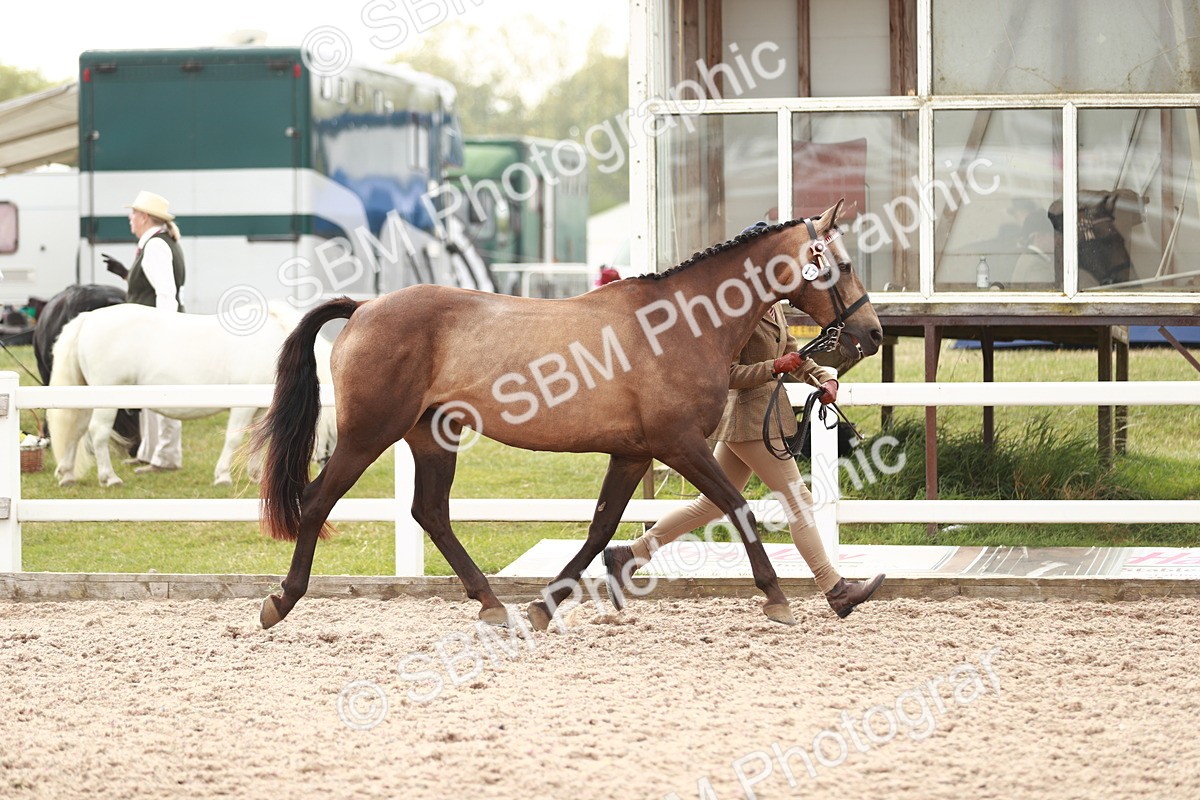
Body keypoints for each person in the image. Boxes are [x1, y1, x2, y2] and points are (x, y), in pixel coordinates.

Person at [603, 301, 885, 619]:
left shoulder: (773, 308)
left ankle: (629, 555)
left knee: (708, 506)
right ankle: (836, 589)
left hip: (761, 419)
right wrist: (773, 368)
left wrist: (822, 378)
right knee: (798, 501)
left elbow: (794, 353)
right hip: (747, 420)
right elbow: (728, 373)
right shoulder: (738, 312)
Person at [107, 190, 187, 474]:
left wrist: (164, 332)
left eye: (133, 214)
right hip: (152, 329)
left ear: (143, 217)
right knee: (150, 391)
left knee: (163, 392)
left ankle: (166, 456)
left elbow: (165, 294)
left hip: (157, 329)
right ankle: (150, 451)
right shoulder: (156, 243)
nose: (130, 219)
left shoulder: (155, 246)